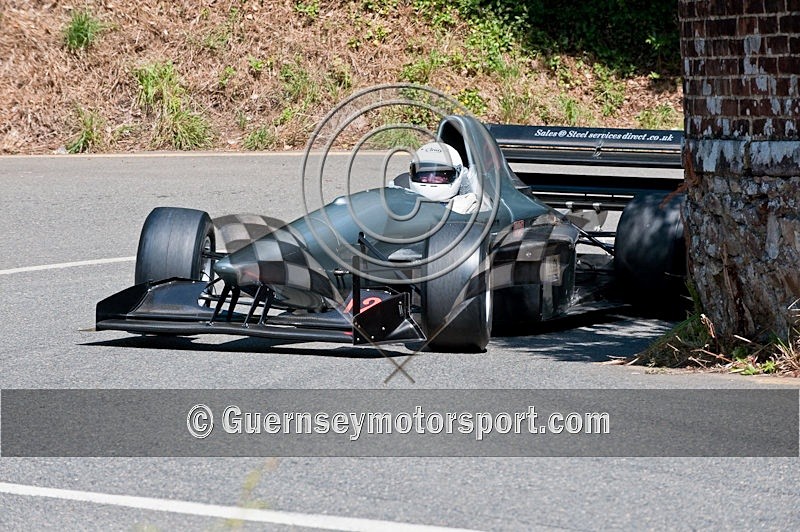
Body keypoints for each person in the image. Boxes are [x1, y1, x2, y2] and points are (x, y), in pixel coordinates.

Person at [408, 142, 479, 214]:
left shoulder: (467, 206)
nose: (430, 179)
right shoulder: (404, 197)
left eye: (438, 175)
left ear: (458, 174)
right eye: (424, 174)